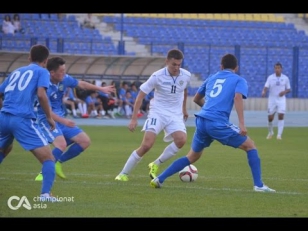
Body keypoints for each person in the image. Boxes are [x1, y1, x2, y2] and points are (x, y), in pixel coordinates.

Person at [150, 53, 276, 193]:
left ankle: (159, 179)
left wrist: (209, 111)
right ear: (236, 67)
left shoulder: (211, 78)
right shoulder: (239, 80)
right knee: (250, 146)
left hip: (202, 121)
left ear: (221, 66)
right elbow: (238, 98)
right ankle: (259, 185)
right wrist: (242, 124)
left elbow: (196, 99)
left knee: (192, 156)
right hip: (217, 123)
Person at [34, 56, 115, 181]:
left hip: (60, 118)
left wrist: (101, 89)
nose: (64, 74)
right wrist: (65, 121)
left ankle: (57, 162)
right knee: (61, 144)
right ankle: (43, 173)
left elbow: (80, 84)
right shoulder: (45, 86)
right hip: (46, 119)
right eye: (62, 71)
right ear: (52, 73)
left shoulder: (64, 79)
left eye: (64, 70)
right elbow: (47, 111)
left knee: (84, 141)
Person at [115, 48, 191, 181]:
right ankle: (123, 174)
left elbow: (184, 90)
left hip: (175, 114)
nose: (177, 67)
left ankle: (155, 164)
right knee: (147, 145)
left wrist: (184, 109)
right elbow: (140, 96)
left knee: (181, 140)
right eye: (174, 64)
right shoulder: (157, 76)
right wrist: (133, 119)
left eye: (179, 65)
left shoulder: (186, 75)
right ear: (167, 61)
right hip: (158, 112)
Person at [0, 44, 57, 200]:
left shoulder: (16, 71)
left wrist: (5, 108)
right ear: (46, 61)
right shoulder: (42, 72)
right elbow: (41, 94)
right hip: (22, 119)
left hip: (3, 117)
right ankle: (45, 195)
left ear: (29, 58)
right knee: (48, 158)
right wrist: (49, 117)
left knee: (5, 149)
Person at [261, 62, 291, 140]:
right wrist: (264, 91)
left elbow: (289, 89)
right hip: (272, 100)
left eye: (278, 68)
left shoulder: (285, 78)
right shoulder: (270, 78)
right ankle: (270, 132)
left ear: (281, 69)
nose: (277, 69)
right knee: (270, 117)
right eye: (276, 68)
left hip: (281, 100)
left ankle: (279, 135)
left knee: (281, 115)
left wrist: (284, 92)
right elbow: (266, 86)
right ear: (274, 69)